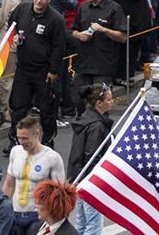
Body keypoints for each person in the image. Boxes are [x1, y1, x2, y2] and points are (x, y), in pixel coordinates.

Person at [8, 0, 66, 152]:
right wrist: (14, 38)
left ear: (48, 0)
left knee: (47, 111)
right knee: (18, 108)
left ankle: (47, 142)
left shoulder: (56, 20)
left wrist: (53, 71)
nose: (39, 1)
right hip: (23, 69)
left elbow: (59, 47)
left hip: (44, 72)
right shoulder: (21, 9)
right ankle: (14, 141)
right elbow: (11, 26)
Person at [4, 114, 67, 235]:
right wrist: (2, 208)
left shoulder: (52, 158)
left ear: (36, 134)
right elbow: (9, 184)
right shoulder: (15, 152)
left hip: (37, 216)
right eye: (19, 138)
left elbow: (59, 192)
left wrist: (53, 219)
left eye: (25, 138)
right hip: (15, 212)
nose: (21, 142)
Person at [68, 83, 114, 235]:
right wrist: (96, 182)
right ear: (98, 103)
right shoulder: (97, 126)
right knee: (93, 225)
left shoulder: (85, 119)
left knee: (82, 223)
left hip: (78, 177)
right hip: (90, 180)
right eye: (109, 99)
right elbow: (92, 156)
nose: (112, 102)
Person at [70, 0, 125, 96]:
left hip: (103, 65)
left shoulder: (114, 9)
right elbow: (73, 30)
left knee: (100, 101)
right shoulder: (83, 7)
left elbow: (122, 37)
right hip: (83, 64)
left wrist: (104, 30)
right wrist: (79, 35)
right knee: (78, 99)